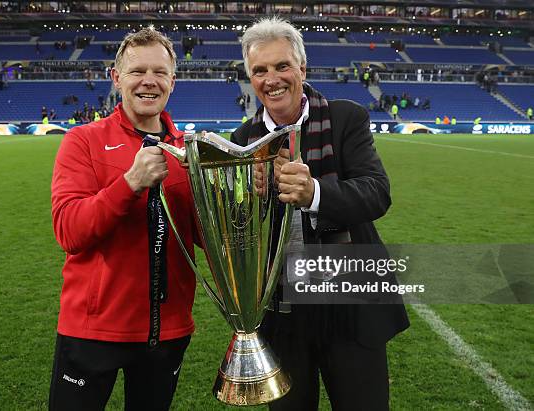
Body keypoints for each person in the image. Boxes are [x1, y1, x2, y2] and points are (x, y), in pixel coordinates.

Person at [231, 17, 409, 411]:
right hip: (282, 309)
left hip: (349, 302)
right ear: (250, 79)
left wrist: (315, 193)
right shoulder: (242, 140)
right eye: (259, 70)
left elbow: (377, 193)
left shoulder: (346, 118)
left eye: (282, 66)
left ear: (302, 70)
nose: (271, 78)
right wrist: (252, 200)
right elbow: (239, 231)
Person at [49, 26, 199, 411]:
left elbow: (206, 238)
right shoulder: (82, 141)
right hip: (92, 330)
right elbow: (70, 231)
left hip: (167, 331)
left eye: (159, 72)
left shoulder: (191, 154)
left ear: (173, 82)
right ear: (116, 78)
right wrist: (130, 182)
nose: (148, 81)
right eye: (137, 71)